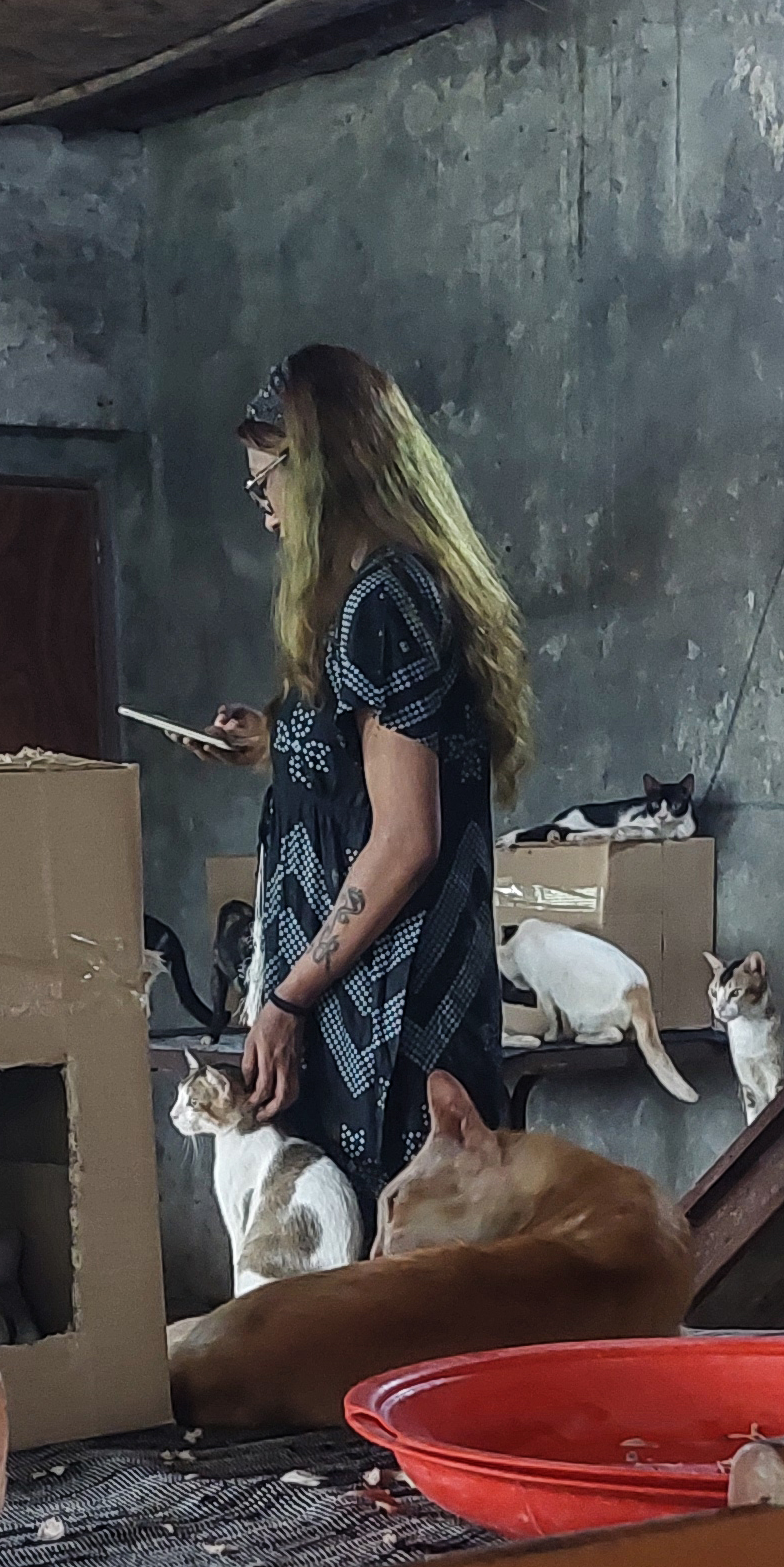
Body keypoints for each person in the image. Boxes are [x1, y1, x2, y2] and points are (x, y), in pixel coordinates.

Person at [204, 347, 535, 1215]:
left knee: (396, 1283)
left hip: (389, 1020)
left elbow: (404, 837)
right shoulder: (374, 593)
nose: (266, 513)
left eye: (266, 484)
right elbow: (366, 775)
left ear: (319, 471)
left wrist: (287, 994)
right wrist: (276, 746)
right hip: (364, 1007)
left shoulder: (385, 602)